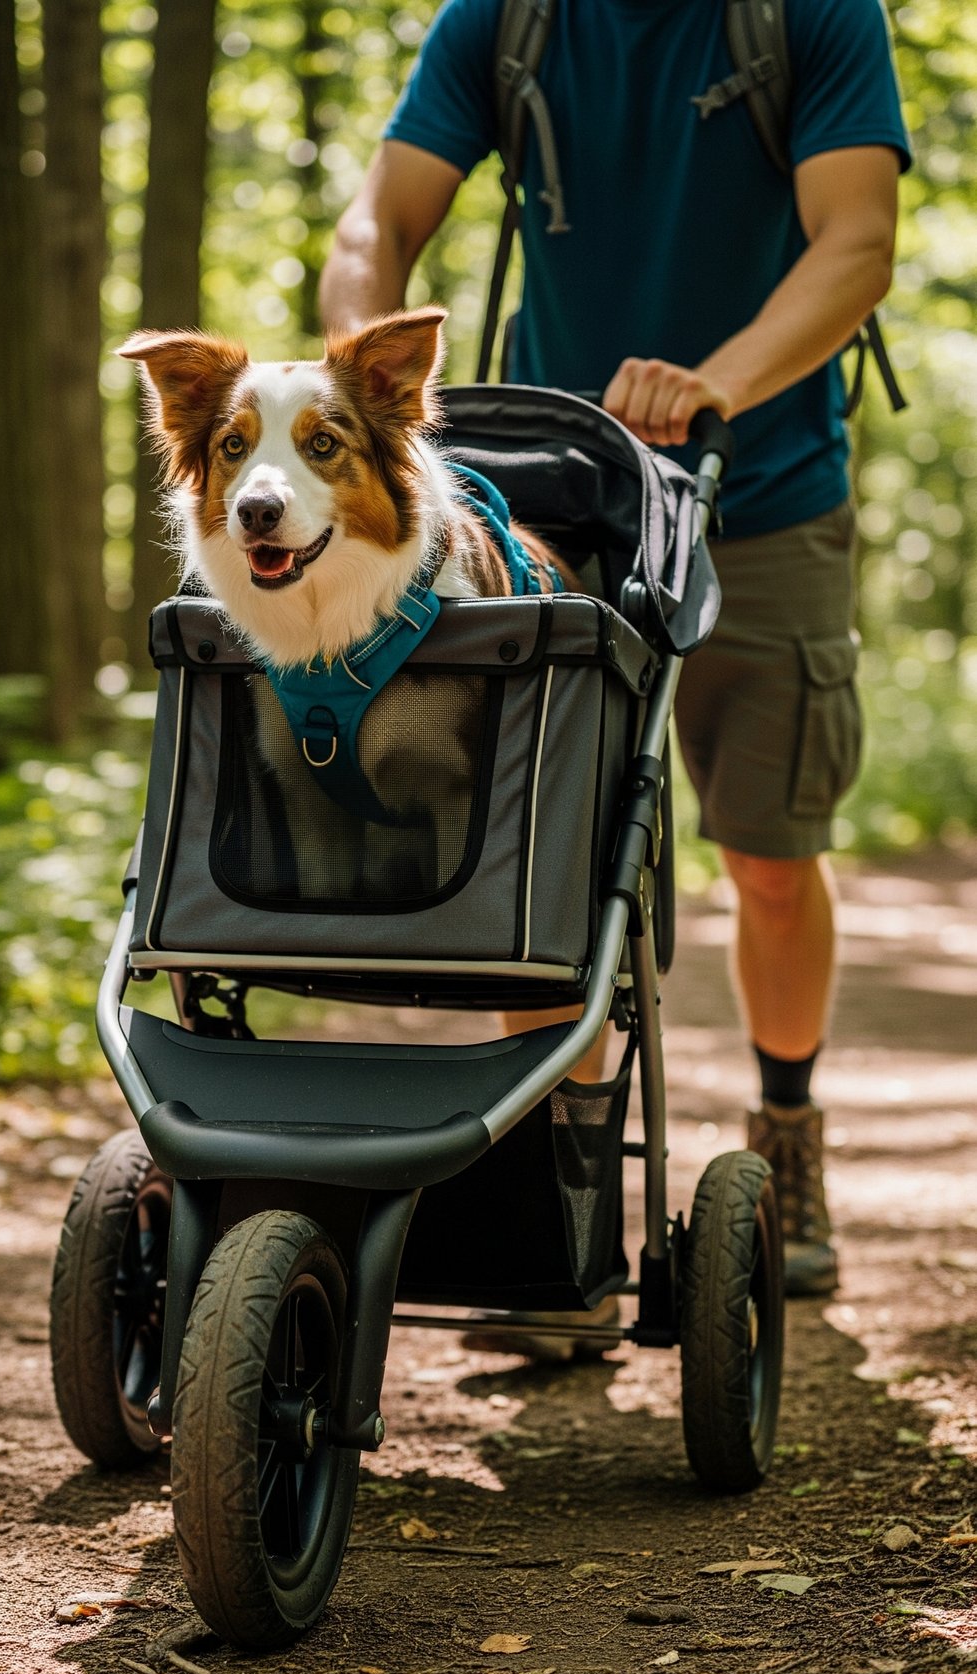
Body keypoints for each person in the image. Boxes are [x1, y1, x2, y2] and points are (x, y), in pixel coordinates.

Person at [319, 0, 909, 1352]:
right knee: (547, 852)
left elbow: (857, 244)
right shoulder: (505, 20)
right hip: (551, 498)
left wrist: (713, 384)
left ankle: (787, 1128)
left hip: (762, 491)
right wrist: (358, 379)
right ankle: (561, 1215)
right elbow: (377, 221)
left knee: (769, 853)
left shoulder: (811, 15)